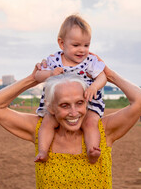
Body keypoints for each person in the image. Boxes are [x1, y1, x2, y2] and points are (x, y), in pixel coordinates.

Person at [0, 63, 141, 189]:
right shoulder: (40, 131)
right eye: (64, 105)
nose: (74, 112)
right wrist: (32, 79)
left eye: (79, 103)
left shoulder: (102, 131)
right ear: (51, 107)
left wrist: (108, 73)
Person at [34, 15, 107, 163]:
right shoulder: (54, 60)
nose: (82, 50)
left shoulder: (90, 61)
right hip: (58, 101)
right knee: (47, 122)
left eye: (86, 45)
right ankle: (42, 151)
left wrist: (94, 86)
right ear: (62, 43)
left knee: (90, 122)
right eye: (76, 45)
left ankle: (92, 150)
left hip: (88, 99)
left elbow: (103, 77)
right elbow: (37, 75)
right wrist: (49, 73)